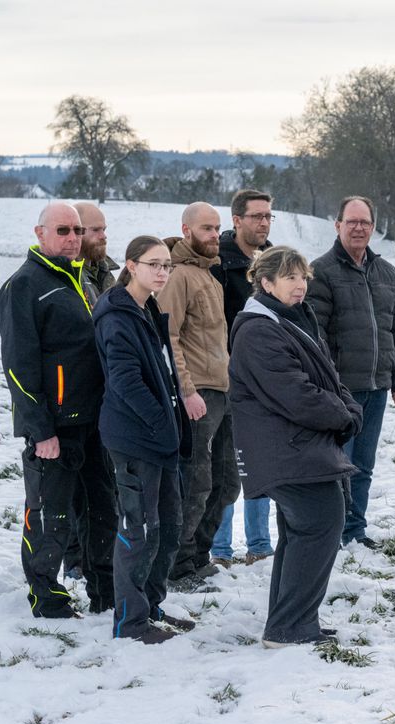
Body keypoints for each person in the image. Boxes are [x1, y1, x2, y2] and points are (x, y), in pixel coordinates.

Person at [228, 246, 362, 647]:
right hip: (286, 449)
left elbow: (325, 375)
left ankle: (291, 622)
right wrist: (344, 415)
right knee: (320, 524)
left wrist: (347, 404)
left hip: (298, 447)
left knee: (303, 532)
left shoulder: (291, 319)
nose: (300, 285)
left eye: (303, 277)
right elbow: (296, 393)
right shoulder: (258, 329)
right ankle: (289, 628)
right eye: (290, 278)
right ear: (265, 283)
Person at [0, 202, 117, 619]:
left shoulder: (83, 281)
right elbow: (19, 364)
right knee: (52, 515)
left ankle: (105, 590)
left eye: (77, 231)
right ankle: (46, 595)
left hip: (96, 422)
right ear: (40, 233)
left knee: (103, 509)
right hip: (55, 428)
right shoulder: (25, 286)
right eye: (63, 230)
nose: (71, 238)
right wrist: (40, 429)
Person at [94, 236, 195, 644]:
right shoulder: (116, 315)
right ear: (131, 266)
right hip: (136, 438)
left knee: (168, 526)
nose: (162, 272)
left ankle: (151, 606)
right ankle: (130, 622)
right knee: (138, 530)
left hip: (161, 439)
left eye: (167, 265)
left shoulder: (148, 308)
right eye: (154, 264)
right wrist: (161, 423)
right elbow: (125, 382)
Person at [306, 196, 395, 550]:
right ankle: (331, 534)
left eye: (365, 222)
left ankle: (355, 531)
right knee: (337, 466)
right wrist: (327, 383)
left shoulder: (387, 273)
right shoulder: (321, 271)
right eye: (352, 221)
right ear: (338, 225)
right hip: (340, 390)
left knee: (363, 466)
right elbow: (315, 333)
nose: (359, 228)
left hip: (377, 386)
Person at [160, 202, 243, 586]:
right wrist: (186, 390)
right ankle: (177, 565)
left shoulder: (209, 275)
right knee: (195, 484)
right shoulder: (178, 277)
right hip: (197, 397)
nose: (214, 235)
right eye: (207, 228)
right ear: (186, 229)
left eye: (217, 228)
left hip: (222, 391)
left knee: (227, 483)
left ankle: (199, 555)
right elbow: (168, 337)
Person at [208, 189, 276, 566]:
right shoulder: (218, 262)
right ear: (237, 220)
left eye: (268, 216)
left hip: (265, 378)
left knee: (259, 460)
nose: (264, 222)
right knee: (225, 463)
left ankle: (260, 544)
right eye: (256, 216)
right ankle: (219, 548)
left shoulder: (274, 260)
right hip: (228, 375)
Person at [63, 201, 118, 580]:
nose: (100, 236)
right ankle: (75, 560)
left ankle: (94, 559)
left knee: (101, 486)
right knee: (71, 489)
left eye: (101, 230)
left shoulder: (105, 275)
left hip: (105, 396)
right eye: (92, 230)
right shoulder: (66, 279)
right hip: (74, 397)